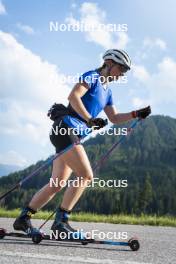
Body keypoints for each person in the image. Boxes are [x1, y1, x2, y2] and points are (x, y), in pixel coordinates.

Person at [13, 49, 151, 238]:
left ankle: (23, 218)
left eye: (125, 71)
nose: (122, 74)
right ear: (109, 64)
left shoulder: (107, 92)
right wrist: (89, 119)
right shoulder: (92, 76)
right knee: (86, 175)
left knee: (57, 183)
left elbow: (114, 117)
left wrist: (136, 114)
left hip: (72, 135)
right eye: (121, 69)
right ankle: (61, 221)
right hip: (65, 129)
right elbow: (74, 96)